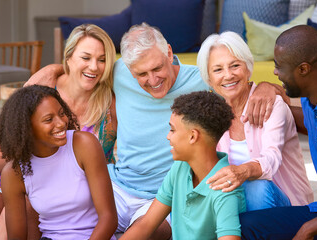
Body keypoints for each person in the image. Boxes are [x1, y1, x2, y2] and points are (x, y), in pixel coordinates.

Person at [25, 22, 277, 239]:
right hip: (116, 183)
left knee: (149, 233)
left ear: (169, 53)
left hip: (162, 195)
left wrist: (268, 87)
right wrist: (53, 69)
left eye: (157, 69)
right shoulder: (120, 72)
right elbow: (85, 70)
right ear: (129, 69)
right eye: (142, 74)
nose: (152, 80)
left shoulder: (202, 79)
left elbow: (239, 83)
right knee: (43, 204)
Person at [0, 23, 117, 239]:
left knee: (28, 202)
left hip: (76, 185)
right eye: (86, 58)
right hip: (31, 171)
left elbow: (108, 216)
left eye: (102, 60)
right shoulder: (45, 89)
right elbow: (11, 142)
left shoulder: (108, 105)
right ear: (68, 59)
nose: (94, 66)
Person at [240, 25, 317, 240]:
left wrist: (309, 228)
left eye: (279, 66)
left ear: (303, 69)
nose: (275, 72)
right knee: (245, 226)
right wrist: (266, 90)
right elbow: (310, 122)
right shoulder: (315, 96)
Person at [196, 31, 313, 211]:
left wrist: (242, 172)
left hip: (286, 206)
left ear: (248, 68)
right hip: (237, 201)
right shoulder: (210, 113)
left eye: (235, 65)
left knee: (257, 186)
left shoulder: (271, 105)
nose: (228, 75)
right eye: (218, 69)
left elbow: (271, 158)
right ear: (209, 79)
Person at [0, 85, 117, 240]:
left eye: (62, 113)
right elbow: (16, 237)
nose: (61, 124)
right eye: (48, 119)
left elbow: (109, 219)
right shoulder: (14, 173)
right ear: (27, 128)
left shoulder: (84, 145)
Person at [121, 91, 246, 240]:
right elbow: (146, 224)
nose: (168, 136)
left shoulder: (224, 188)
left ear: (193, 136)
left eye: (172, 130)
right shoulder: (180, 167)